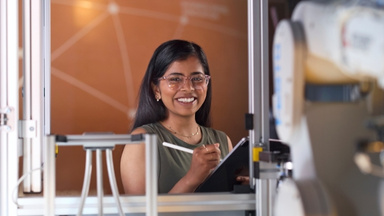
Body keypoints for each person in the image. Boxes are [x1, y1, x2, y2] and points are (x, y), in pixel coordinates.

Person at [120, 39, 233, 194]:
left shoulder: (222, 141)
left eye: (197, 78)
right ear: (156, 90)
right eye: (175, 79)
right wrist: (192, 178)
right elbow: (140, 214)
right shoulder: (142, 142)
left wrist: (246, 190)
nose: (188, 88)